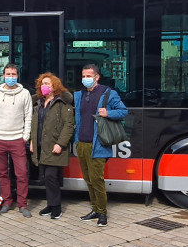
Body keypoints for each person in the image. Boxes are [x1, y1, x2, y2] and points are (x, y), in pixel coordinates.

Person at [73, 64, 128, 227]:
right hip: (82, 144)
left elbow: (123, 111)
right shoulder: (79, 95)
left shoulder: (108, 94)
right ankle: (95, 209)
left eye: (88, 76)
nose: (85, 79)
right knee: (88, 179)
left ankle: (102, 213)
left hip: (98, 145)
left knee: (97, 180)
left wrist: (108, 113)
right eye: (83, 76)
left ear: (97, 77)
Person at [0, 64, 32, 216]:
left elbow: (28, 117)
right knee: (2, 173)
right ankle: (7, 201)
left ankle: (23, 204)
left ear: (17, 76)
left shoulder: (24, 93)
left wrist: (25, 136)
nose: (10, 77)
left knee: (22, 173)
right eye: (8, 74)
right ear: (3, 75)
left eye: (13, 74)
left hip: (17, 139)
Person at [30, 72, 75, 220]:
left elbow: (68, 125)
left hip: (55, 146)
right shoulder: (38, 103)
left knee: (51, 177)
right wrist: (32, 141)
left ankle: (56, 207)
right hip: (41, 146)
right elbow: (35, 124)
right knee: (45, 177)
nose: (44, 86)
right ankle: (50, 204)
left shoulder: (62, 103)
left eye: (47, 84)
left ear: (54, 86)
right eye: (42, 84)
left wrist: (60, 143)